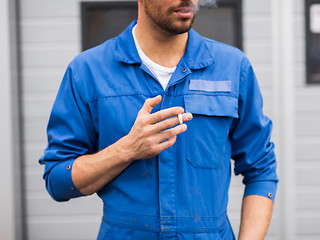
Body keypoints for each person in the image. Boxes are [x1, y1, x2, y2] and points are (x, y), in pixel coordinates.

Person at [39, 0, 278, 239]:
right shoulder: (88, 71)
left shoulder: (233, 68)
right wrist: (127, 149)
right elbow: (59, 180)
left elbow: (261, 170)